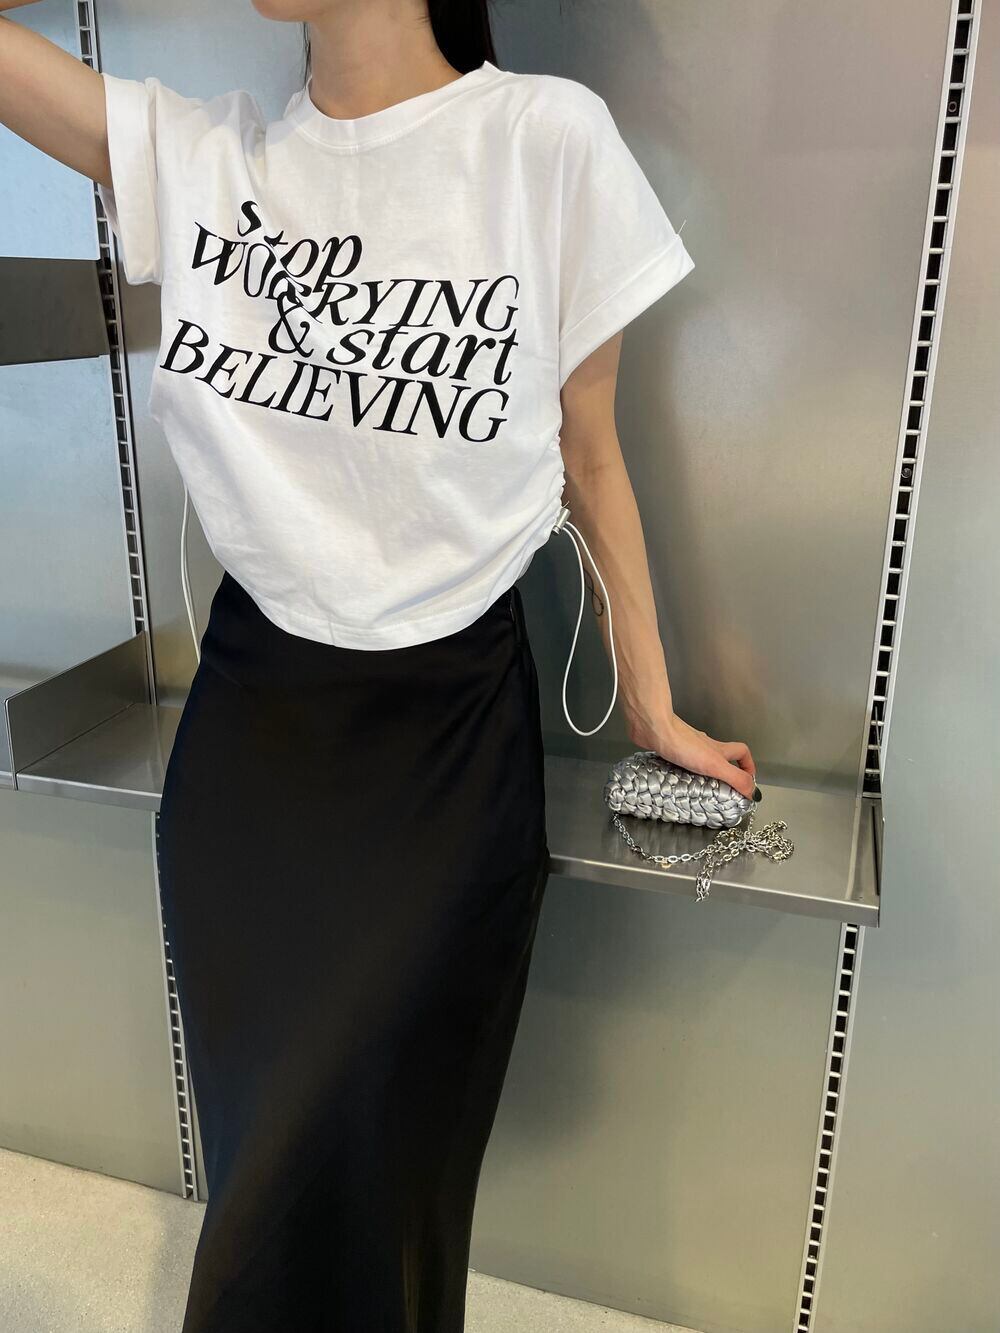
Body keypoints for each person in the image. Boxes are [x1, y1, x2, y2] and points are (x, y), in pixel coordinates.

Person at [1, 1, 758, 1328]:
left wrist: (651, 697)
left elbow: (590, 449)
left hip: (444, 755)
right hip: (250, 751)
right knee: (261, 1168)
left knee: (385, 1189)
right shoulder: (202, 155)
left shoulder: (543, 139)